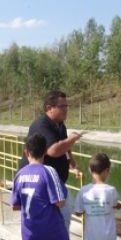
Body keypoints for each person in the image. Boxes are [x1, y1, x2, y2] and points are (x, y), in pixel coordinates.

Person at [20, 90, 83, 231]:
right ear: (49, 108)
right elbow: (53, 150)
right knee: (62, 215)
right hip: (39, 183)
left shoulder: (60, 124)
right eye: (62, 106)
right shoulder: (42, 124)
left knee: (63, 214)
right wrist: (73, 138)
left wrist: (73, 164)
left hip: (54, 182)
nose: (66, 109)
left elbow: (65, 146)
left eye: (66, 106)